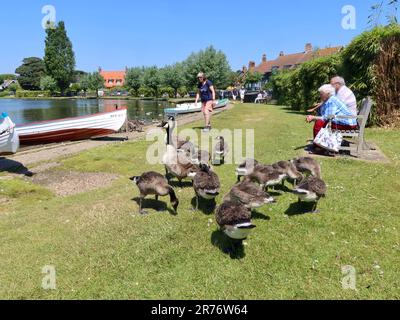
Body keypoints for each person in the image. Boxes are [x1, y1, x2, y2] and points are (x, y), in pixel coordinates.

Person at [306, 84, 358, 153]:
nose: (320, 96)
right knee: (320, 122)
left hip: (347, 124)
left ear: (327, 94)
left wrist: (313, 117)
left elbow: (327, 117)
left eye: (321, 94)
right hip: (346, 122)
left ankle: (319, 148)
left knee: (320, 122)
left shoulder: (331, 101)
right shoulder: (330, 99)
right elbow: (326, 115)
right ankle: (319, 145)